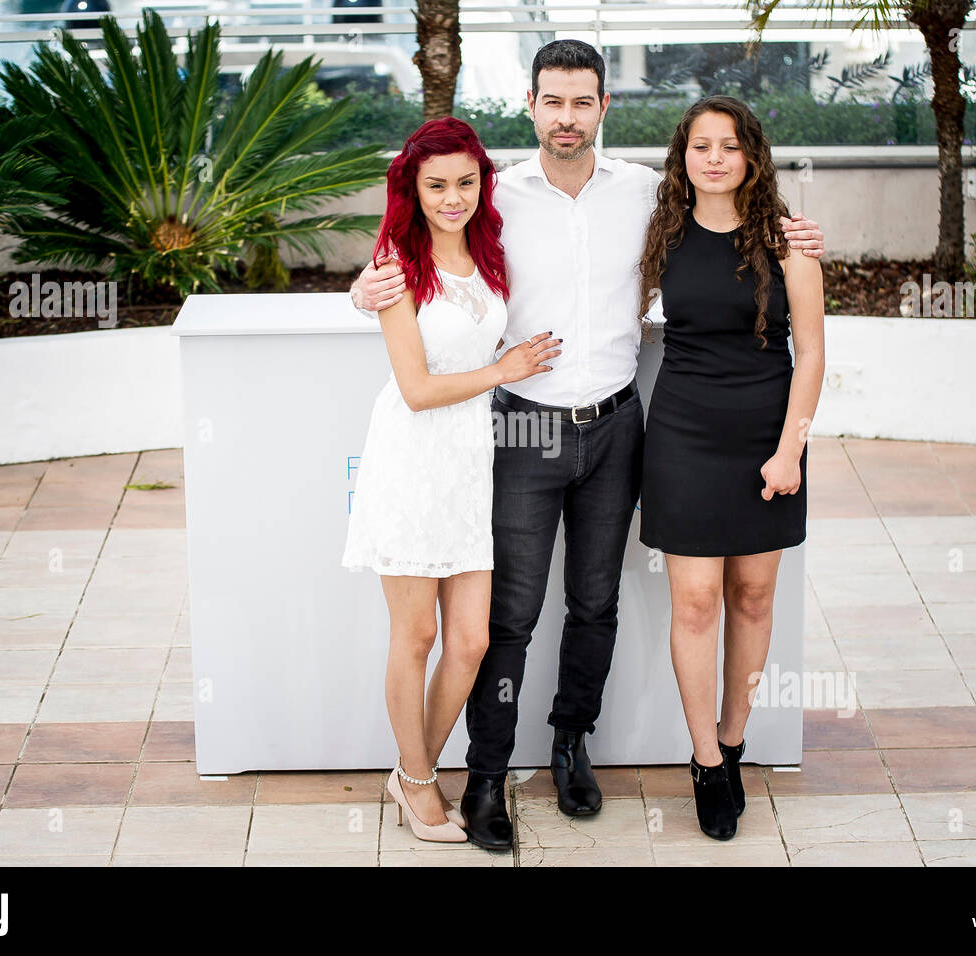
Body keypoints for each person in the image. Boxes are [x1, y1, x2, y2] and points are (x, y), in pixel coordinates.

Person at [351, 40, 825, 851]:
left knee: (596, 604)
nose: (566, 118)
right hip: (522, 427)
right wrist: (363, 288)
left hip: (617, 426)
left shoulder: (648, 193)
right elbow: (427, 245)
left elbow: (724, 228)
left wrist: (795, 234)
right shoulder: (491, 193)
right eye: (552, 102)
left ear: (604, 108)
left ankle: (574, 744)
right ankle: (490, 777)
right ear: (531, 106)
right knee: (510, 616)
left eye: (582, 102)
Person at [340, 117, 561, 843]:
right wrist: (505, 370)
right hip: (410, 462)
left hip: (469, 466)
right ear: (412, 186)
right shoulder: (395, 266)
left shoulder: (488, 253)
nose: (452, 197)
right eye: (436, 184)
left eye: (465, 182)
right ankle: (419, 783)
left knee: (469, 642)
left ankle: (412, 773)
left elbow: (479, 334)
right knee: (416, 634)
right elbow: (415, 388)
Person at [637, 95, 825, 841]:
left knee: (752, 596)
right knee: (695, 604)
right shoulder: (660, 233)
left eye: (729, 145)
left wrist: (790, 450)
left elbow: (809, 352)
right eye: (700, 146)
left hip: (767, 435)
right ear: (682, 156)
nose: (714, 158)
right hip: (683, 433)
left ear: (752, 155)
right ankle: (707, 761)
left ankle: (737, 738)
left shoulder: (788, 241)